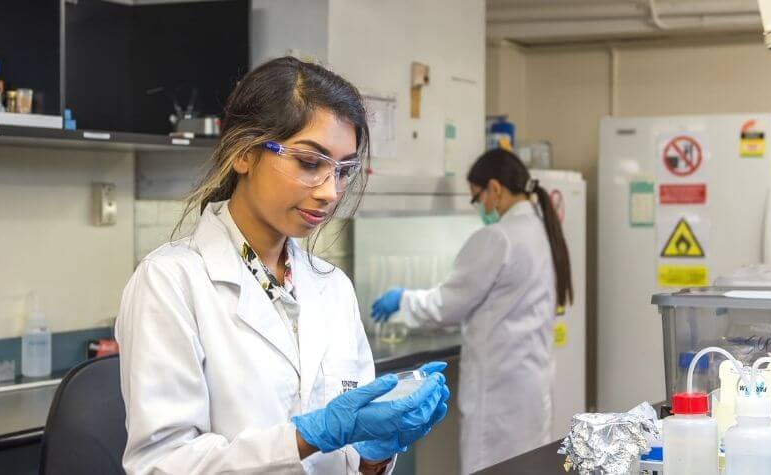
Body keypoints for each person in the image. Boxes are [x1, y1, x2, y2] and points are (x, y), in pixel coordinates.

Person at [115, 57, 450, 475]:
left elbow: (350, 462)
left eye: (344, 170)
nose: (331, 192)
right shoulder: (171, 282)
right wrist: (306, 437)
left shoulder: (333, 289)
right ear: (243, 153)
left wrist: (377, 453)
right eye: (310, 163)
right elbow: (162, 464)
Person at [371, 147, 573, 474]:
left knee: (492, 468)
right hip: (530, 383)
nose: (479, 207)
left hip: (500, 391)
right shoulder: (539, 230)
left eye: (476, 198)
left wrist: (403, 300)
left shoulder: (498, 238)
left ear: (494, 189)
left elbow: (446, 307)